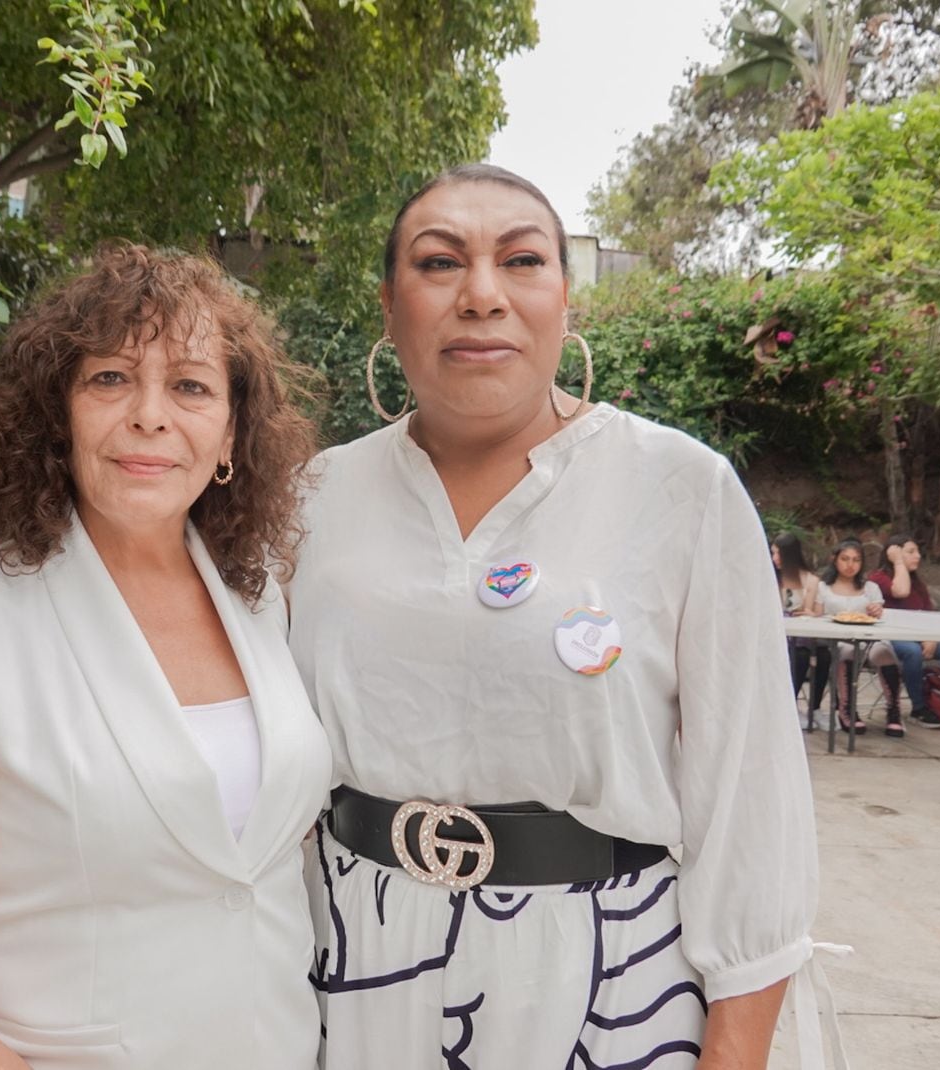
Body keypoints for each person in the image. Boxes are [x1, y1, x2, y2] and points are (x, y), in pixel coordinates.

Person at [288, 165, 820, 1070]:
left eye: (522, 261)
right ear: (389, 306)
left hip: (608, 968)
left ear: (566, 300)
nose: (482, 296)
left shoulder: (680, 488)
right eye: (440, 262)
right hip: (350, 959)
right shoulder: (311, 497)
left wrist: (736, 1046)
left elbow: (750, 792)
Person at [0, 246, 333, 1069]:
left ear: (231, 434)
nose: (149, 414)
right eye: (109, 379)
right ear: (55, 417)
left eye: (191, 386)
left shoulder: (258, 599)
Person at [866, 534, 940, 729]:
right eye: (911, 552)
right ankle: (919, 708)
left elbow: (929, 615)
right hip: (889, 637)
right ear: (893, 554)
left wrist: (931, 638)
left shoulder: (918, 584)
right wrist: (898, 563)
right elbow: (900, 591)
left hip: (918, 636)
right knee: (912, 652)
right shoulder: (879, 578)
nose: (917, 556)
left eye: (917, 551)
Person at [811, 539, 900, 736]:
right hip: (837, 639)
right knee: (849, 651)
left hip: (869, 636)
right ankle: (847, 709)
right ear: (835, 560)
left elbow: (879, 613)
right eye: (845, 559)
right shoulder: (823, 587)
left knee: (884, 651)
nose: (850, 565)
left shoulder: (870, 588)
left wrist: (877, 611)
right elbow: (816, 616)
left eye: (856, 560)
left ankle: (894, 711)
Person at [774, 532, 828, 730]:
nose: (774, 559)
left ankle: (813, 707)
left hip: (804, 632)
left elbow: (817, 612)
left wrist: (809, 611)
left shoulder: (811, 580)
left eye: (778, 554)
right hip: (779, 634)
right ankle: (787, 706)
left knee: (822, 655)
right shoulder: (772, 578)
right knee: (798, 654)